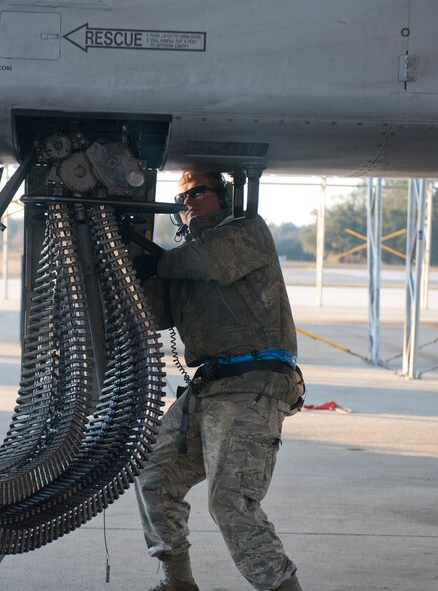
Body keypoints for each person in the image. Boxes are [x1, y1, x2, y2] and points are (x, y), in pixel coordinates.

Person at [133, 170, 305, 591]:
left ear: (223, 195)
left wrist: (159, 262)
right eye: (182, 197)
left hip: (253, 382)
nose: (188, 202)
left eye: (198, 192)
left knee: (230, 500)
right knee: (153, 475)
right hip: (210, 385)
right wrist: (125, 275)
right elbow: (154, 312)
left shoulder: (245, 232)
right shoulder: (182, 261)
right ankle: (177, 581)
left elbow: (213, 261)